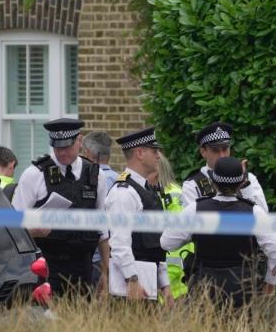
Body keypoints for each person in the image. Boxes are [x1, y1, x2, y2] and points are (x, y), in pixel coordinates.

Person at [160, 156, 276, 310]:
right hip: (242, 290)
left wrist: (193, 235)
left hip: (203, 289)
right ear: (240, 183)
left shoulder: (195, 209)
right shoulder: (254, 212)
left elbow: (166, 242)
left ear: (213, 182)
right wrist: (270, 283)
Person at [10, 118, 107, 298]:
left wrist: (107, 274)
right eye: (57, 147)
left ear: (79, 140)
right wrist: (32, 232)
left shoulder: (95, 175)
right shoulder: (34, 175)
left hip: (84, 269)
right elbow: (12, 227)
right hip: (46, 268)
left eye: (67, 147)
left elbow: (102, 230)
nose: (62, 153)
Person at [103, 127, 171, 305]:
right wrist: (131, 280)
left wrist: (164, 283)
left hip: (147, 282)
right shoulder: (123, 192)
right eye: (154, 151)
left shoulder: (146, 189)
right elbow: (119, 243)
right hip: (130, 289)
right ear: (140, 153)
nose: (158, 156)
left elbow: (156, 240)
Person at [182, 122, 268, 211]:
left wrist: (245, 185)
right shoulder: (192, 185)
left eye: (225, 149)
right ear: (203, 152)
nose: (222, 156)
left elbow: (263, 215)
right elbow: (191, 222)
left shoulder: (248, 178)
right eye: (215, 150)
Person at [82, 131, 119, 291]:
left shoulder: (86, 180)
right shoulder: (122, 181)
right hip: (119, 258)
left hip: (94, 258)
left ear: (88, 153)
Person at [155, 150, 191, 299]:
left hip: (173, 275)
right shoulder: (160, 192)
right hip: (166, 272)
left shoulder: (172, 195)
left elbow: (179, 236)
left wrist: (169, 275)